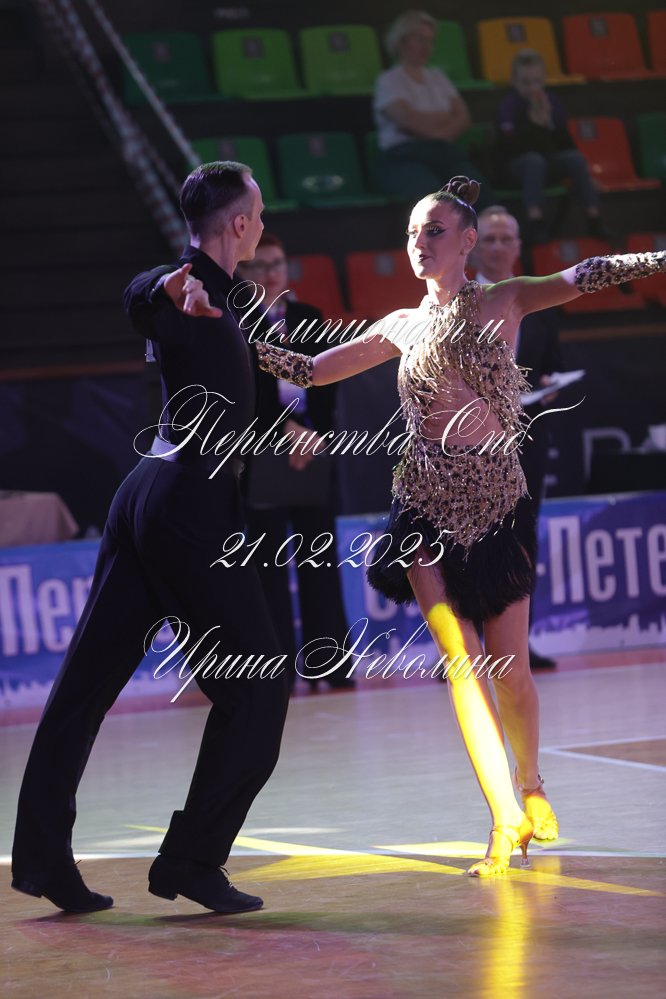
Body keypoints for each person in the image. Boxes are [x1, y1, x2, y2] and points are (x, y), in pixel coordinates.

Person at [242, 177, 664, 876]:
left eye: (434, 231)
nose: (419, 243)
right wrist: (232, 337)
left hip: (498, 499)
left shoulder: (508, 298)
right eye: (412, 233)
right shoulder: (399, 326)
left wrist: (656, 258)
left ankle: (530, 783)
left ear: (468, 241)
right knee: (462, 665)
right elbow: (312, 371)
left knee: (510, 671)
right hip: (423, 503)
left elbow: (583, 274)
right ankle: (501, 817)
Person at [10, 161, 290, 914]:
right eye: (259, 215)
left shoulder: (225, 297)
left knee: (84, 686)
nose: (264, 226)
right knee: (260, 687)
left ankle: (43, 860)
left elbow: (253, 374)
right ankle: (192, 861)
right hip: (186, 506)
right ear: (239, 224)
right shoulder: (184, 291)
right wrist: (166, 286)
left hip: (151, 494)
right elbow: (141, 293)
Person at [235, 233, 354, 692]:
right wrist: (284, 430)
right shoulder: (237, 322)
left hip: (313, 451)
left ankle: (330, 664)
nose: (271, 274)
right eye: (260, 266)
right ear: (243, 273)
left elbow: (329, 384)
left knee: (319, 560)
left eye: (278, 264)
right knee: (266, 565)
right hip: (260, 452)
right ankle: (276, 671)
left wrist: (314, 436)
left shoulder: (309, 318)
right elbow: (241, 392)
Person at [472, 205, 563, 673]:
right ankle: (469, 648)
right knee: (470, 540)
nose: (498, 246)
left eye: (506, 238)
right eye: (489, 238)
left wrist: (548, 385)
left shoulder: (539, 304)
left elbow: (554, 369)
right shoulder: (461, 303)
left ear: (518, 246)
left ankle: (518, 646)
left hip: (526, 441)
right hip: (470, 443)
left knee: (522, 539)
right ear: (473, 245)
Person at [373, 10, 494, 207]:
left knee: (477, 191)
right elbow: (407, 120)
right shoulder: (388, 80)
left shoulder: (438, 77)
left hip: (443, 152)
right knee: (433, 200)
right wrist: (445, 116)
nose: (427, 47)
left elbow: (463, 117)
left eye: (430, 41)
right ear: (402, 41)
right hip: (405, 156)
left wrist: (436, 132)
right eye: (420, 39)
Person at [497, 50, 604, 244]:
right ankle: (535, 220)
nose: (532, 88)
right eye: (525, 82)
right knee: (534, 161)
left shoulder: (551, 102)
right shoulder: (509, 106)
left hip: (548, 163)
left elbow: (565, 142)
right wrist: (534, 124)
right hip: (516, 168)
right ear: (514, 81)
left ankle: (594, 218)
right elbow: (509, 148)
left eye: (537, 81)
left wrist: (550, 123)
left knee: (574, 158)